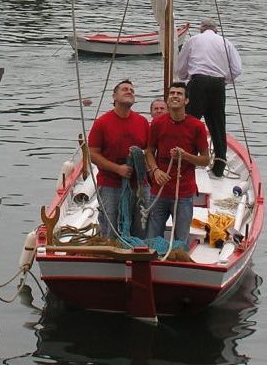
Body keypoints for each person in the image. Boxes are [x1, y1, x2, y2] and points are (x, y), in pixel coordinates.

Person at [144, 82, 210, 244]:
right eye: (172, 93)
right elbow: (149, 151)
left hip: (183, 193)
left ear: (186, 101)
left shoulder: (197, 127)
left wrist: (186, 156)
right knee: (153, 239)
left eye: (179, 94)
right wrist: (155, 171)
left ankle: (179, 263)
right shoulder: (158, 124)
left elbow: (206, 159)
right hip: (158, 192)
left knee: (181, 240)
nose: (175, 96)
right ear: (167, 99)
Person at [176, 19, 242, 177]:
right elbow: (237, 69)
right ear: (216, 30)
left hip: (198, 82)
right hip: (218, 85)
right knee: (218, 124)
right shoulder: (226, 42)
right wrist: (223, 80)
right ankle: (219, 166)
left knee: (189, 122)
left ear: (201, 29)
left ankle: (185, 159)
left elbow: (181, 67)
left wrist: (185, 77)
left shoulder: (194, 40)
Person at [87, 79, 149, 238]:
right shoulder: (102, 123)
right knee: (111, 227)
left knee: (140, 226)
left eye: (132, 90)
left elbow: (149, 151)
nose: (130, 92)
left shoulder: (142, 122)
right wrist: (118, 169)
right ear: (114, 96)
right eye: (125, 89)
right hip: (110, 185)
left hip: (138, 186)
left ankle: (136, 255)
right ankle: (111, 257)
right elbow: (92, 154)